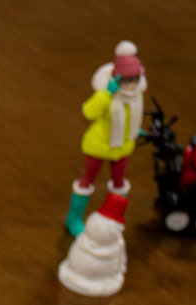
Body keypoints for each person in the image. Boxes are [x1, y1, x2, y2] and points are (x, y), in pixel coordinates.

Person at [66, 41, 147, 236]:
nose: (131, 85)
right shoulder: (107, 95)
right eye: (126, 80)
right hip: (99, 146)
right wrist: (106, 95)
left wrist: (137, 131)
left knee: (119, 184)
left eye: (134, 79)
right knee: (86, 181)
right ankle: (74, 218)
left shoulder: (136, 96)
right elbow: (89, 112)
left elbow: (131, 119)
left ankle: (113, 218)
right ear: (117, 78)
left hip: (122, 147)